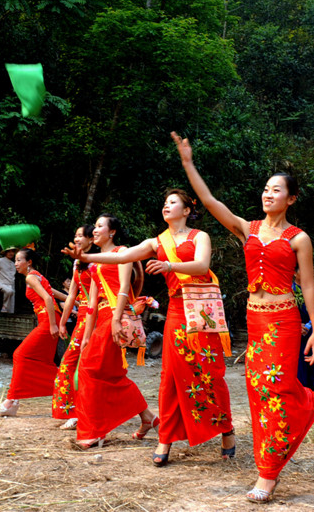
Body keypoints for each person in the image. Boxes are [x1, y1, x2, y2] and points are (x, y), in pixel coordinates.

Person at [172, 131, 314, 503]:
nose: (268, 194)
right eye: (266, 188)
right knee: (258, 393)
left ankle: (268, 473)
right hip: (255, 322)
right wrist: (188, 163)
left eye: (276, 190)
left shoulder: (298, 238)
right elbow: (211, 201)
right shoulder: (248, 228)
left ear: (290, 199)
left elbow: (307, 287)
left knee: (274, 390)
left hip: (285, 320)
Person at [70, 191, 235, 466]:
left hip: (202, 312)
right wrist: (87, 258)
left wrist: (169, 265)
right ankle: (165, 438)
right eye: (164, 203)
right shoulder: (156, 241)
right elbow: (122, 257)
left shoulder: (199, 236)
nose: (166, 206)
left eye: (172, 202)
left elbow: (203, 265)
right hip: (176, 312)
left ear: (186, 210)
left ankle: (226, 430)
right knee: (170, 376)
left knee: (208, 374)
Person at [74, 214, 158, 449]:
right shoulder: (94, 263)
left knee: (90, 370)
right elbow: (91, 304)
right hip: (100, 318)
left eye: (100, 226)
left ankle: (94, 431)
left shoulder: (123, 252)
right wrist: (87, 335)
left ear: (112, 232)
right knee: (110, 375)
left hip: (114, 316)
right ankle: (148, 417)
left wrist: (116, 319)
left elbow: (123, 289)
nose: (95, 230)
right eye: (95, 226)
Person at [0, 248, 60, 417]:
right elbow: (54, 294)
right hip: (49, 319)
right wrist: (75, 303)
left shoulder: (31, 277)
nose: (15, 264)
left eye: (18, 260)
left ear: (28, 262)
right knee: (41, 361)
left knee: (20, 355)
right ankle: (67, 385)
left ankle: (11, 401)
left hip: (48, 321)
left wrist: (53, 325)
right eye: (15, 260)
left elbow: (47, 298)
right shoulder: (37, 276)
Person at [52, 226, 95, 429]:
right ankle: (74, 410)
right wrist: (63, 320)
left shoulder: (98, 260)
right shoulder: (78, 262)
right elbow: (72, 295)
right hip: (82, 317)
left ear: (91, 240)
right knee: (70, 363)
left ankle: (81, 411)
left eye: (80, 236)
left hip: (94, 316)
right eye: (75, 235)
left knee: (78, 365)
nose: (76, 238)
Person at [293, 271, 314, 395]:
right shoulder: (290, 289)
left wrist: (311, 305)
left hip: (310, 330)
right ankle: (301, 394)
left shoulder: (309, 288)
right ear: (295, 273)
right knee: (299, 366)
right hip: (295, 331)